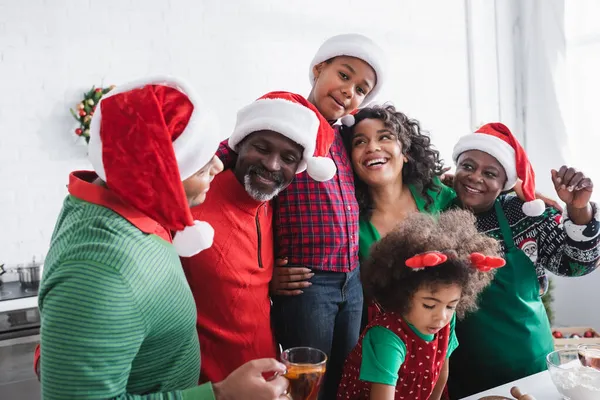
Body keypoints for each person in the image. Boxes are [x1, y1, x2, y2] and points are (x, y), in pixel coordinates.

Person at [37, 78, 290, 400]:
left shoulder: (130, 209)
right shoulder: (102, 271)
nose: (217, 167)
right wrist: (222, 394)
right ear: (156, 180)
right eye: (199, 167)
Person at [218, 33, 388, 399]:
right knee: (308, 381)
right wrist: (267, 274)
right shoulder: (287, 113)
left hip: (352, 278)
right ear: (318, 69)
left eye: (361, 89)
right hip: (309, 282)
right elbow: (229, 153)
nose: (349, 91)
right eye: (344, 75)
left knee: (346, 375)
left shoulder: (344, 138)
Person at [181, 91, 336, 383]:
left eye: (288, 158)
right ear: (239, 146)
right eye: (261, 148)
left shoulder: (273, 207)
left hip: (267, 381)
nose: (273, 165)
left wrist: (268, 282)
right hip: (209, 386)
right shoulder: (197, 198)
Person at [448, 122, 600, 398]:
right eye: (468, 166)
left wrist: (579, 211)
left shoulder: (525, 214)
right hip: (461, 368)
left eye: (490, 173)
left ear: (504, 183)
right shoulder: (436, 209)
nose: (475, 177)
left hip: (528, 367)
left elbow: (577, 264)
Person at [336, 210, 502, 400]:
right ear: (403, 296)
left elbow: (441, 372)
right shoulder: (387, 337)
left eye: (450, 306)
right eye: (429, 305)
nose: (441, 317)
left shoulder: (445, 321)